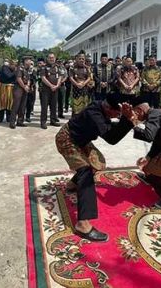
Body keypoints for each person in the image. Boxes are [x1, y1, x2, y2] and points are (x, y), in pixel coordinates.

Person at [55, 93, 134, 242]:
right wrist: (126, 120)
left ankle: (72, 184)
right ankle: (82, 224)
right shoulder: (94, 113)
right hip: (67, 139)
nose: (116, 116)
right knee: (85, 171)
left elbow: (112, 129)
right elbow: (111, 138)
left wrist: (127, 120)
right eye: (116, 113)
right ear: (107, 108)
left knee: (98, 162)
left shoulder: (103, 110)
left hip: (81, 141)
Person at [40, 53, 63, 129]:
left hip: (55, 89)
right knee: (44, 107)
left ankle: (53, 120)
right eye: (50, 58)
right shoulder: (44, 67)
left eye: (52, 58)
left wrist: (57, 85)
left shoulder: (57, 67)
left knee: (54, 106)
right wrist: (51, 85)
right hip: (46, 90)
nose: (51, 59)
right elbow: (43, 78)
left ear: (55, 58)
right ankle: (43, 122)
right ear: (47, 58)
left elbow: (60, 77)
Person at [10, 56, 33, 129]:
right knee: (16, 105)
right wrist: (24, 86)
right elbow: (19, 78)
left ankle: (20, 121)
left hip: (25, 88)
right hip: (18, 88)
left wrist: (28, 85)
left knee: (23, 106)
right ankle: (12, 122)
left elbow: (29, 79)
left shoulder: (27, 69)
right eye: (29, 60)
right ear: (25, 61)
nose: (30, 62)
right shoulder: (20, 68)